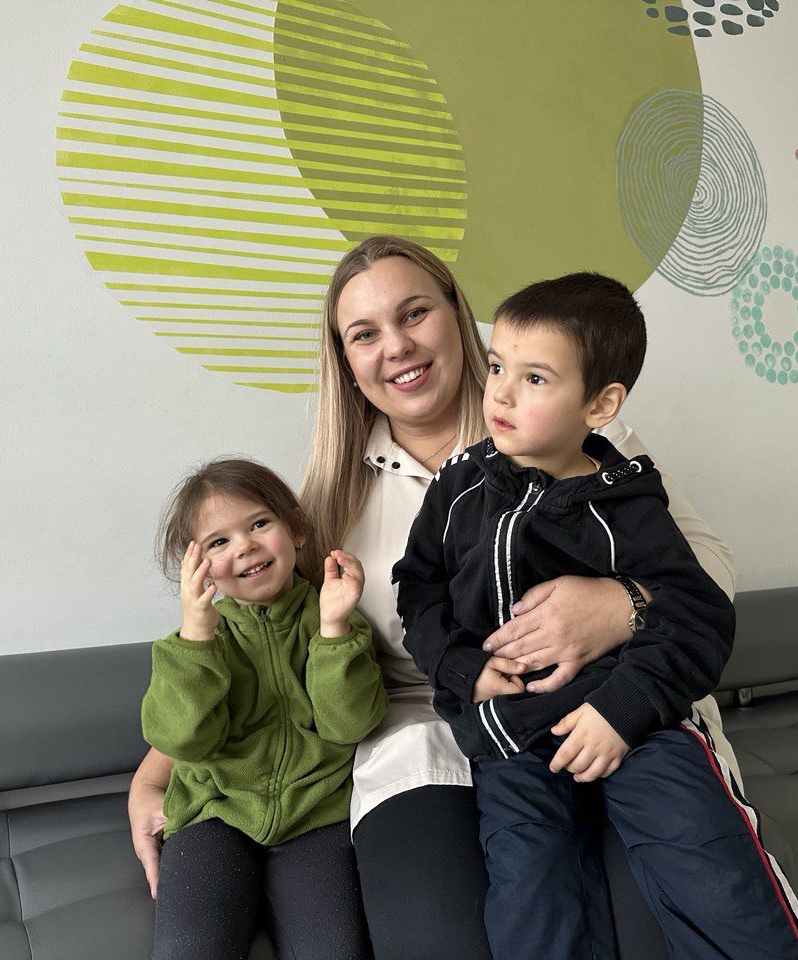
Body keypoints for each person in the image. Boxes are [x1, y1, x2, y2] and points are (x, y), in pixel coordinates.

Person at [129, 236, 744, 959]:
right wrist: (154, 772)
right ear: (346, 360)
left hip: (601, 711)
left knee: (653, 922)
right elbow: (264, 645)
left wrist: (617, 604)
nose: (396, 346)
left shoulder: (572, 432)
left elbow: (709, 574)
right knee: (440, 938)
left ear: (458, 315)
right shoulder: (325, 503)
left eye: (414, 313)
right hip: (418, 734)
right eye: (365, 334)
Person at [393, 274, 798, 960]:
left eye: (535, 378)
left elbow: (698, 616)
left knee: (713, 871)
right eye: (497, 367)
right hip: (514, 735)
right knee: (530, 900)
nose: (500, 393)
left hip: (634, 723)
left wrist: (622, 711)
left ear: (600, 403)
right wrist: (460, 667)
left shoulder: (626, 502)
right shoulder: (459, 487)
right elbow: (418, 588)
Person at [142, 458, 386, 960]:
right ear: (195, 565)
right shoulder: (192, 644)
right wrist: (196, 637)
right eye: (218, 541)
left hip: (317, 816)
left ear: (296, 530)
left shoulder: (336, 619)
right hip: (213, 814)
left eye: (258, 524)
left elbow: (350, 725)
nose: (244, 546)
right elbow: (180, 739)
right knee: (190, 950)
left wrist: (334, 630)